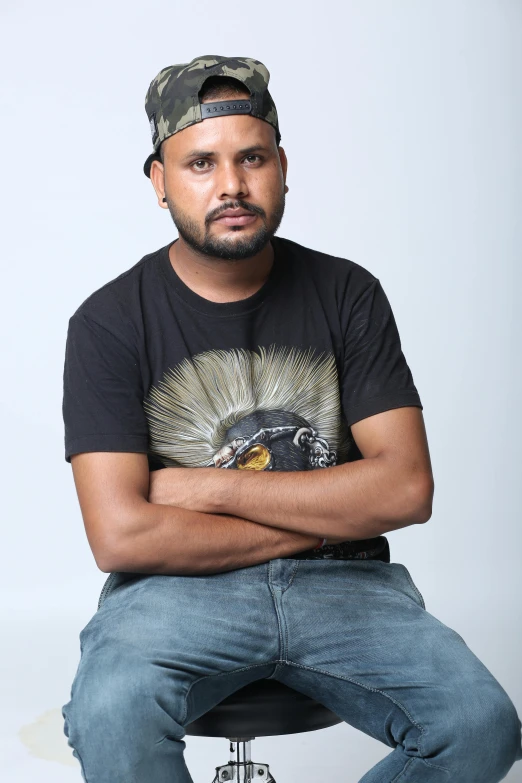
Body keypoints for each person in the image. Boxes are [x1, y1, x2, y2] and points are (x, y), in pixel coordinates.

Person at [61, 54, 522, 782]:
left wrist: (208, 490)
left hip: (348, 588)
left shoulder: (348, 293)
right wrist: (339, 501)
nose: (232, 185)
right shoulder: (109, 322)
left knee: (480, 725)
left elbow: (406, 492)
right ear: (159, 182)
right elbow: (120, 534)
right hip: (176, 598)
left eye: (252, 157)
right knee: (110, 710)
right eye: (200, 164)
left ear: (282, 165)